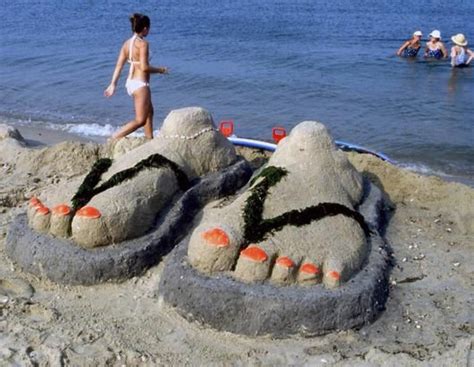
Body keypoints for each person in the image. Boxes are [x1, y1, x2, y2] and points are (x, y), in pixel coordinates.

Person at [104, 13, 168, 140]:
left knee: (150, 111)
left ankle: (150, 139)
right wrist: (161, 70)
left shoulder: (126, 44)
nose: (149, 30)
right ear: (144, 28)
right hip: (141, 85)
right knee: (140, 120)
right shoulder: (143, 44)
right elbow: (144, 67)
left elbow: (119, 65)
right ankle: (115, 137)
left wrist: (113, 84)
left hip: (131, 83)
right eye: (149, 28)